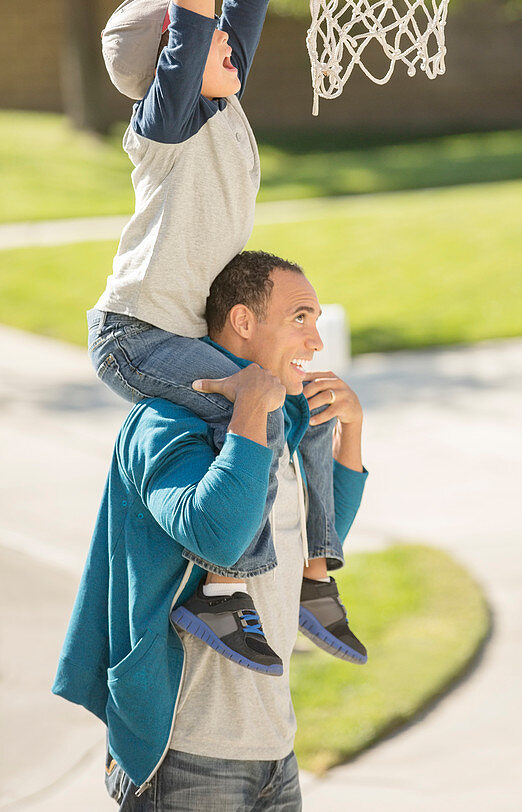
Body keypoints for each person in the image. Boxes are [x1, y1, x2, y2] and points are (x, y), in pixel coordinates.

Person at [86, 0, 365, 672]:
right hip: (136, 335)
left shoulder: (221, 95)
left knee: (304, 405)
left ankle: (317, 576)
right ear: (175, 55)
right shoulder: (165, 123)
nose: (230, 46)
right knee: (250, 404)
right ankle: (217, 591)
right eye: (207, 40)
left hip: (166, 330)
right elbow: (201, 18)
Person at [54, 251, 368, 810]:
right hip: (185, 755)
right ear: (243, 322)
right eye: (300, 318)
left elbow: (313, 543)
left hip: (276, 750)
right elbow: (217, 534)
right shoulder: (163, 423)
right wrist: (250, 411)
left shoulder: (280, 424)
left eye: (317, 321)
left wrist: (351, 432)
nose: (316, 341)